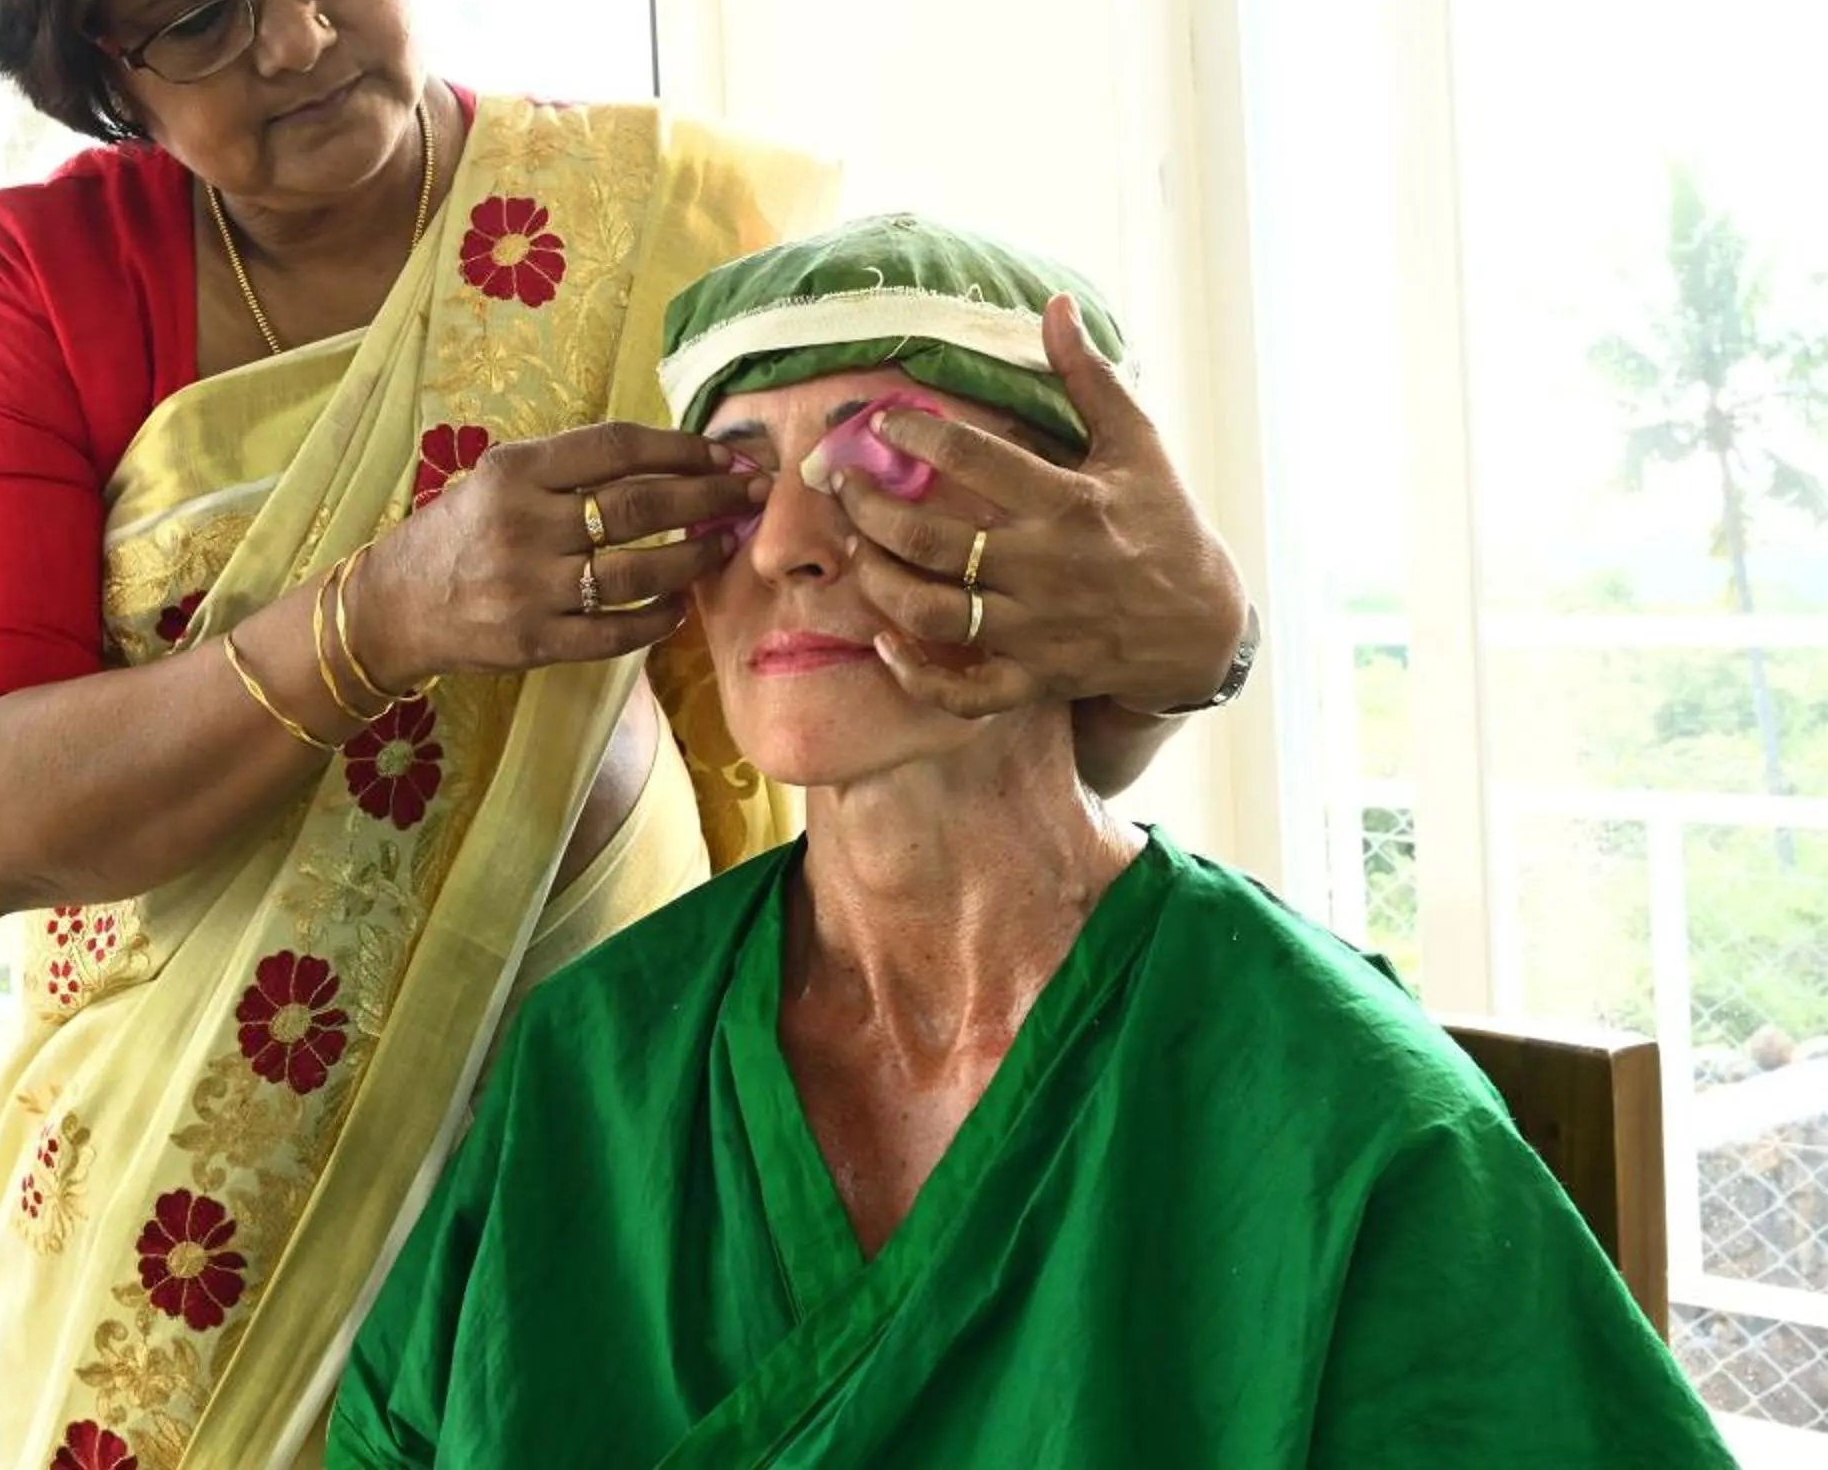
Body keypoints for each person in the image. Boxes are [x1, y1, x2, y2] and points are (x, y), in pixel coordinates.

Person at [0, 0, 1263, 1469]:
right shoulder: (49, 285)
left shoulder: (657, 236)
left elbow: (943, 727)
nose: (301, 36)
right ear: (100, 75)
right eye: (203, 21)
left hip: (613, 1165)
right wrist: (385, 615)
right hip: (189, 1228)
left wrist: (1184, 653)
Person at [327, 214, 1736, 1469]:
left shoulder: (1335, 1109)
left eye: (882, 464)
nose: (787, 548)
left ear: (1087, 540)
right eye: (741, 483)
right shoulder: (591, 1066)